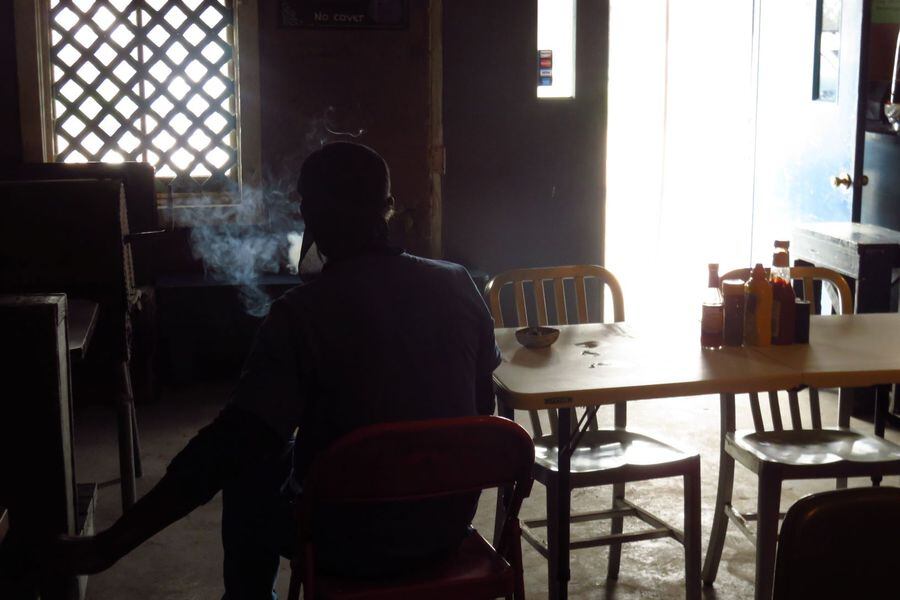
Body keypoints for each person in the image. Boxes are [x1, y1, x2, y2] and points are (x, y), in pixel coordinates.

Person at [53, 142, 501, 598]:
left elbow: (232, 445)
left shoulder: (302, 313)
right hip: (446, 528)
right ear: (387, 208)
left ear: (310, 214)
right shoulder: (458, 282)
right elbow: (483, 410)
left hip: (350, 546)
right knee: (272, 451)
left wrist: (111, 544)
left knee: (249, 465)